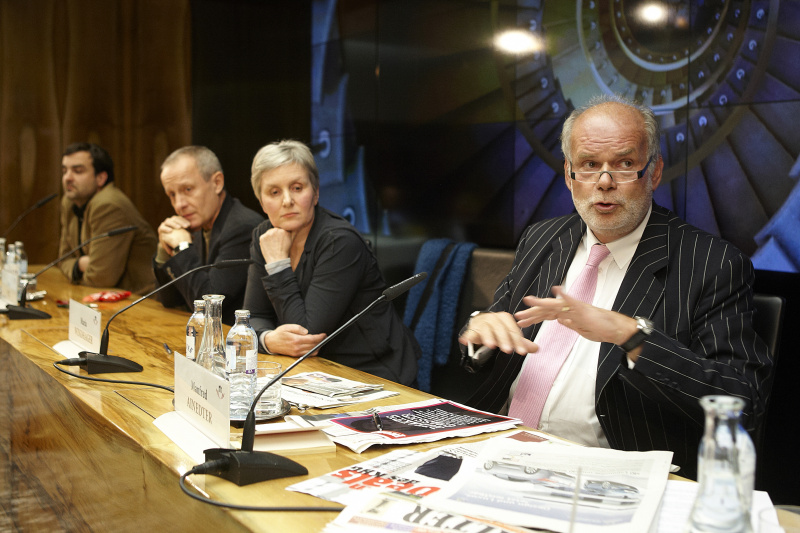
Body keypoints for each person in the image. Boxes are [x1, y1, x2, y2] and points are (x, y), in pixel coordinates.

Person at [458, 94, 772, 479]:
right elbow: (495, 326)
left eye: (624, 164)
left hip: (608, 471)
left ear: (654, 172)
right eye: (589, 165)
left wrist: (632, 336)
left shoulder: (712, 264)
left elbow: (741, 401)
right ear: (569, 174)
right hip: (497, 446)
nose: (604, 183)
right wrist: (482, 330)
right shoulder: (542, 238)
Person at [242, 140, 419, 386]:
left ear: (315, 193)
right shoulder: (264, 235)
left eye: (297, 188)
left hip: (372, 375)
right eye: (274, 192)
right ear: (261, 202)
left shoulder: (340, 241)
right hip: (313, 375)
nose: (286, 201)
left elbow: (306, 334)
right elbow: (252, 316)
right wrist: (268, 340)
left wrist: (278, 266)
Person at [153, 146, 263, 325]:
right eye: (172, 194)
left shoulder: (242, 227)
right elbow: (170, 300)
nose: (179, 204)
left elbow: (209, 308)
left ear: (217, 183)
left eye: (188, 189)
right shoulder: (197, 225)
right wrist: (164, 250)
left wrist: (182, 247)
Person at [58, 143, 157, 293]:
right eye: (65, 171)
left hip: (140, 302)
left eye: (77, 171)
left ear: (101, 178)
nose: (67, 178)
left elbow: (101, 278)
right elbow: (63, 260)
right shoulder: (70, 202)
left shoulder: (108, 205)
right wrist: (80, 264)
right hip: (106, 297)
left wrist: (79, 267)